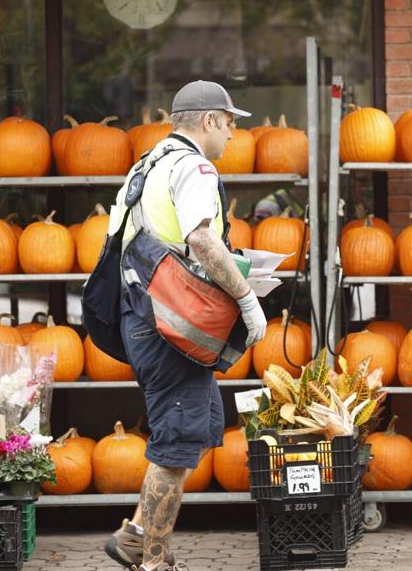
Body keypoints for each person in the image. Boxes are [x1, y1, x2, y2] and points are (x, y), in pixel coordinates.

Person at [102, 80, 267, 571]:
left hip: (145, 317)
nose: (234, 134)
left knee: (183, 433)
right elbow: (199, 239)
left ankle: (136, 536)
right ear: (209, 120)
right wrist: (246, 296)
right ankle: (152, 561)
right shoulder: (195, 166)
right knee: (174, 444)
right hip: (171, 324)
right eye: (231, 122)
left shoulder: (148, 164)